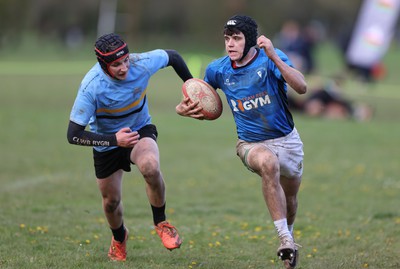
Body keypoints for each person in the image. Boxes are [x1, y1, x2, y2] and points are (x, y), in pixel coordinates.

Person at [176, 15, 307, 269]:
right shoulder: (218, 70)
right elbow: (204, 102)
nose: (230, 44)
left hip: (288, 141)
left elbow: (301, 87)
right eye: (227, 39)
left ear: (250, 41)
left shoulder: (270, 58)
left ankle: (289, 240)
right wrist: (185, 109)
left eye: (236, 38)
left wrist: (274, 58)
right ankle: (283, 238)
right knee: (268, 163)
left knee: (290, 200)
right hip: (250, 144)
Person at [67, 33, 193, 261]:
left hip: (139, 129)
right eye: (116, 65)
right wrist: (114, 140)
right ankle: (119, 237)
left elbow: (173, 57)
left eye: (125, 60)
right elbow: (73, 135)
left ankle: (161, 223)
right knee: (111, 202)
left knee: (150, 167)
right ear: (103, 64)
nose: (124, 67)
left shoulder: (140, 63)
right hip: (106, 141)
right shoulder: (91, 86)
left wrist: (192, 86)